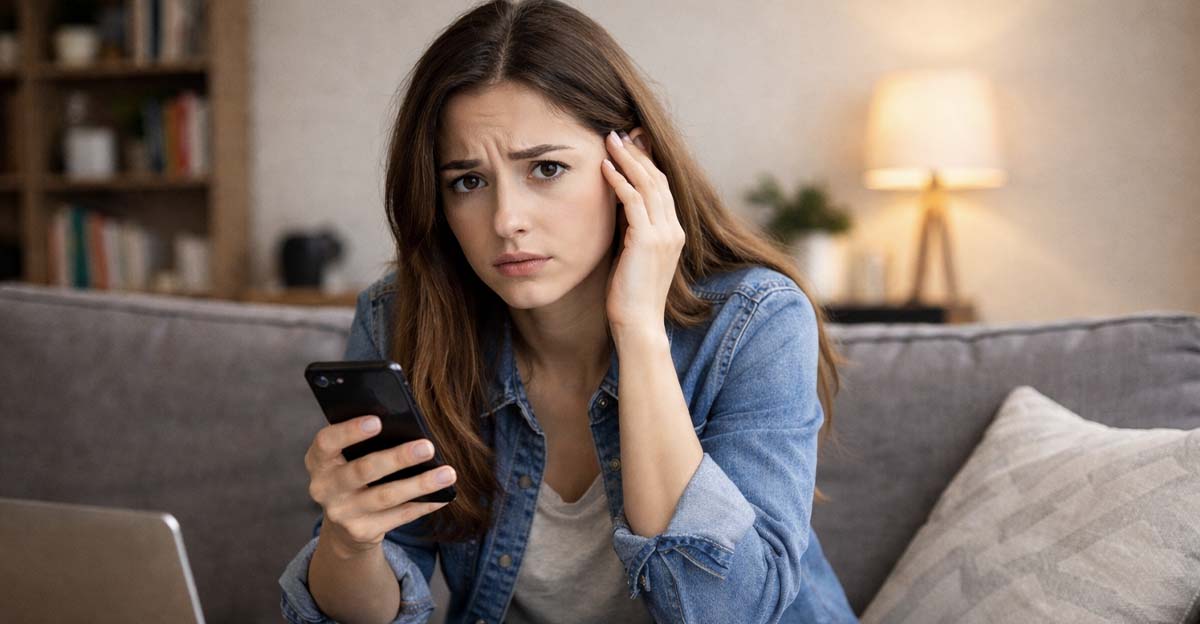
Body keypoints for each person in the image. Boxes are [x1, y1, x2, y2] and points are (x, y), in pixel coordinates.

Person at [279, 1, 858, 622]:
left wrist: (639, 331)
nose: (507, 220)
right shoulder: (404, 321)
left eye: (546, 168)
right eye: (468, 181)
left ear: (631, 163)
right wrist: (349, 542)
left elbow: (728, 612)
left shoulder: (754, 321)